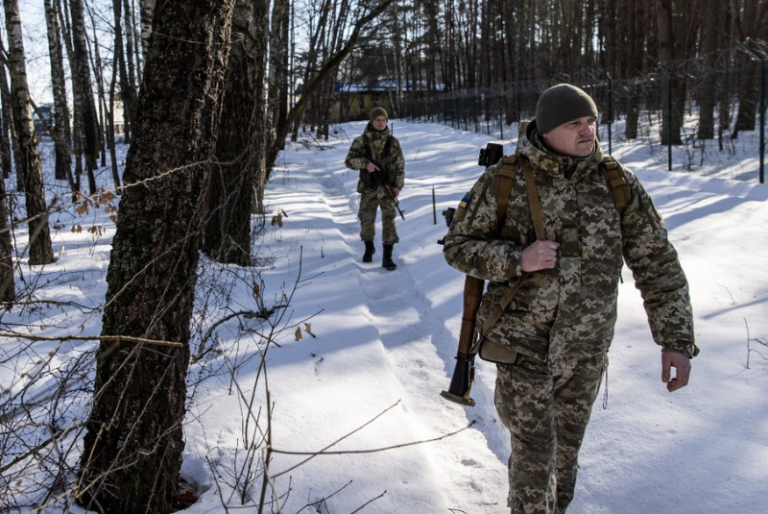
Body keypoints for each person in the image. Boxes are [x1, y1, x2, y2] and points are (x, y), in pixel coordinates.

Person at [442, 83, 698, 514]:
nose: (588, 131)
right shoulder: (506, 180)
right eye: (574, 123)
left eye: (591, 120)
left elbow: (657, 263)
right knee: (535, 457)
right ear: (546, 130)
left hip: (586, 351)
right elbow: (458, 246)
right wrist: (517, 259)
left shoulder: (616, 182)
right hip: (522, 347)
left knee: (565, 455)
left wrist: (675, 339)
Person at [345, 107, 405, 271]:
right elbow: (349, 161)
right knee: (366, 219)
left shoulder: (393, 142)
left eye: (384, 120)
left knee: (389, 221)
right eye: (377, 120)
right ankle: (368, 247)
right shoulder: (361, 141)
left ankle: (388, 257)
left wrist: (398, 186)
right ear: (372, 121)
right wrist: (366, 164)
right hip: (368, 188)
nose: (381, 123)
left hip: (387, 189)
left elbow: (400, 166)